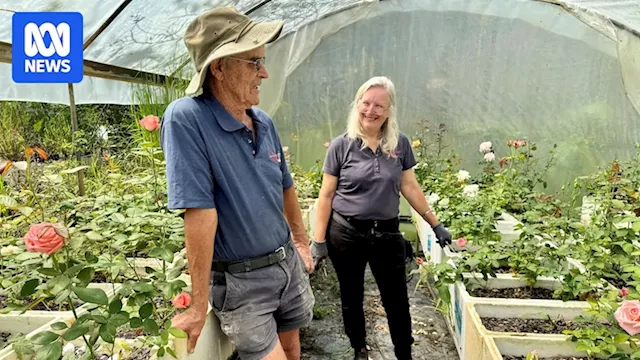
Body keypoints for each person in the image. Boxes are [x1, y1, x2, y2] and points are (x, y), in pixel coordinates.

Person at [160, 7, 315, 360]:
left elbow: (285, 187)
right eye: (254, 62)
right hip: (242, 282)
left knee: (293, 348)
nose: (265, 72)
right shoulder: (187, 119)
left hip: (286, 264)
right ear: (219, 66)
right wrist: (198, 306)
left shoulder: (262, 121)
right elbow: (199, 211)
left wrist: (301, 243)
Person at [310, 76, 452, 360]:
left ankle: (403, 353)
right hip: (346, 233)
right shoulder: (341, 145)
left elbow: (410, 186)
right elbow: (325, 196)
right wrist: (318, 240)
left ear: (389, 111)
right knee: (351, 296)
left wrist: (435, 223)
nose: (371, 110)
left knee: (396, 299)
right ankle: (359, 349)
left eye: (379, 105)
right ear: (357, 104)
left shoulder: (399, 144)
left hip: (387, 234)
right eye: (366, 103)